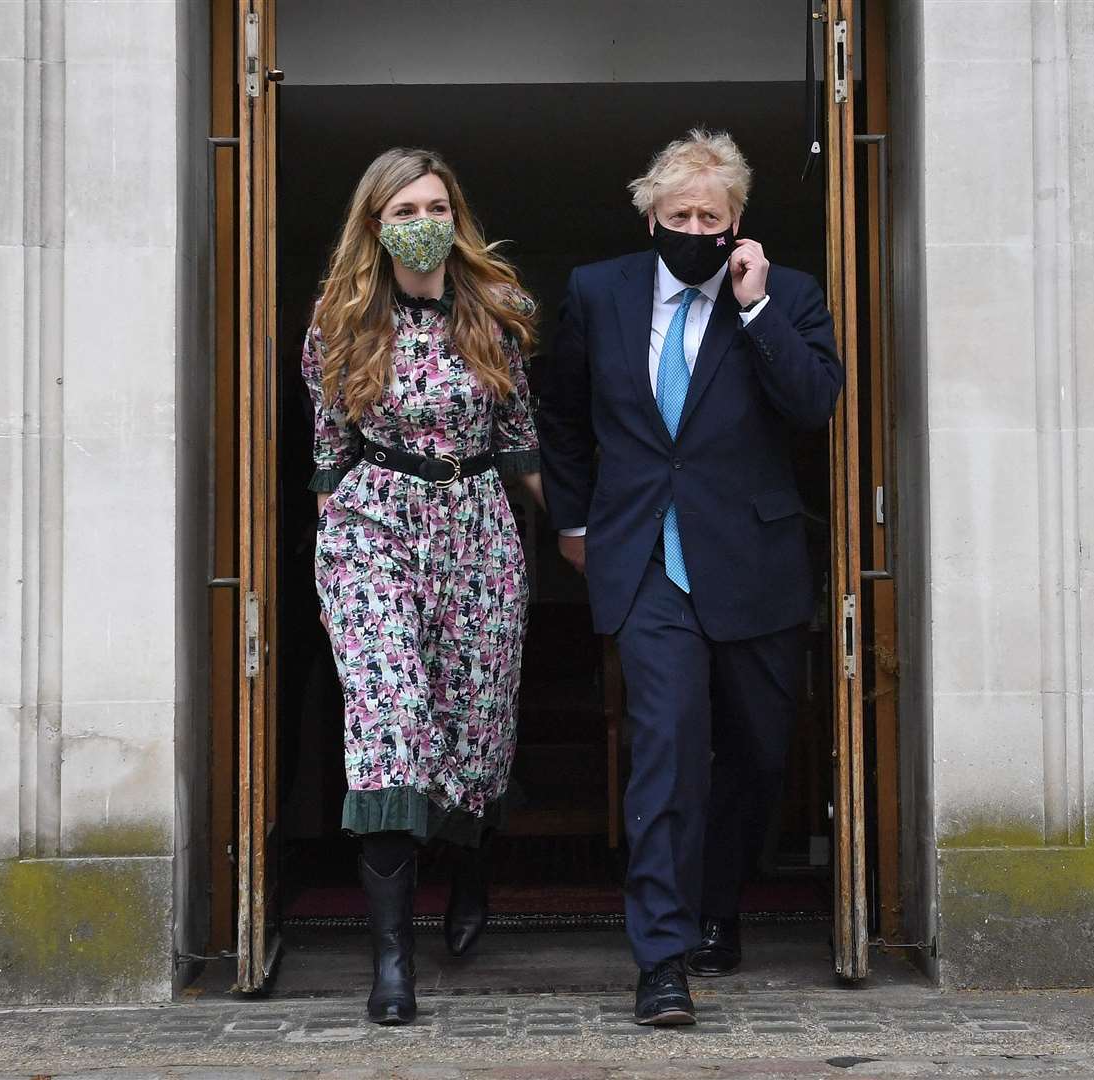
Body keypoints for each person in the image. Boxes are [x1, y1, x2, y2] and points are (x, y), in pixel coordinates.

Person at [537, 129, 843, 1025]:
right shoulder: (600, 293)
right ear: (652, 216)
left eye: (712, 215)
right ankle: (662, 963)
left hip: (752, 561)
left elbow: (815, 404)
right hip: (645, 564)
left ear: (737, 222)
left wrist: (754, 311)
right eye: (680, 214)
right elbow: (560, 412)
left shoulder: (787, 296)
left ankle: (718, 904)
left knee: (755, 753)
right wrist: (578, 518)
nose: (695, 226)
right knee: (666, 752)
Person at [301, 147, 545, 1026]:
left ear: (457, 215)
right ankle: (392, 966)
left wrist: (583, 536)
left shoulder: (500, 310)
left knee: (475, 728)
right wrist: (336, 553)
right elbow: (329, 454)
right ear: (375, 223)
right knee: (390, 724)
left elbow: (522, 442)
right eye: (405, 207)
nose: (424, 221)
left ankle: (471, 862)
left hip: (478, 526)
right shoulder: (339, 322)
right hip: (374, 523)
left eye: (438, 204)